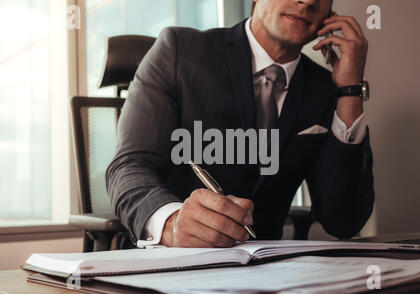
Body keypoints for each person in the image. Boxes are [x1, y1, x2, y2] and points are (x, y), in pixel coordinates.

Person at [106, 0, 374, 248]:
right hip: (169, 263)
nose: (307, 1)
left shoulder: (325, 90)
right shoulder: (178, 50)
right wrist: (171, 224)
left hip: (267, 271)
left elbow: (344, 222)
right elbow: (129, 167)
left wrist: (350, 92)